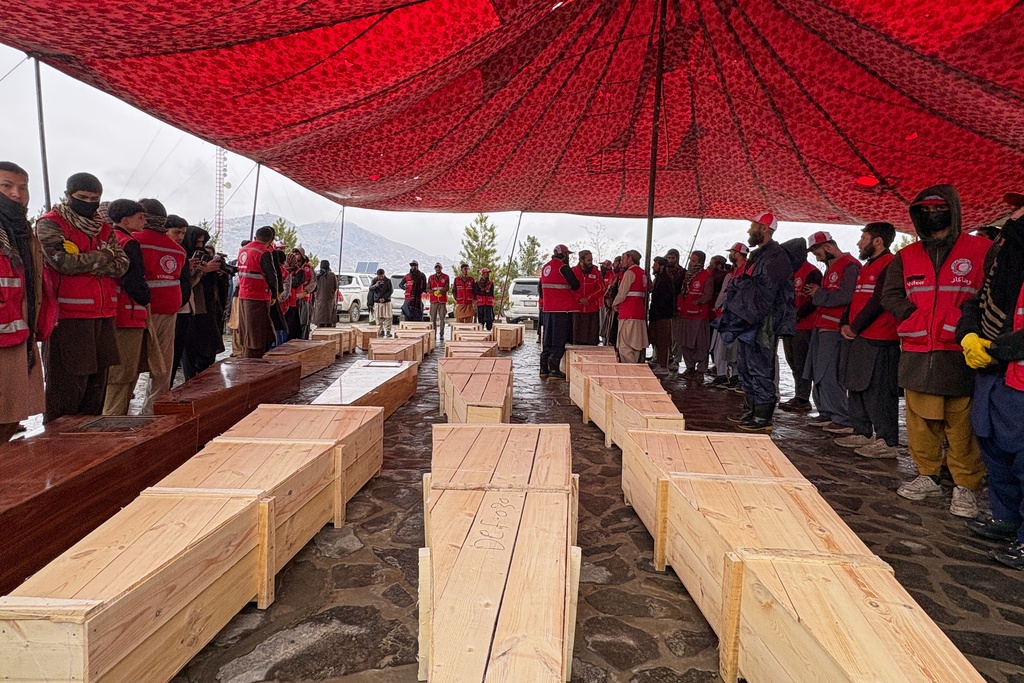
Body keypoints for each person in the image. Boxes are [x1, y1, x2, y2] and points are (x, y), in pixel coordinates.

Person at [881, 185, 990, 517]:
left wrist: (965, 322)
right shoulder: (907, 255)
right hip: (917, 352)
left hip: (960, 353)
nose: (931, 215)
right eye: (924, 211)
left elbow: (992, 294)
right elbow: (890, 294)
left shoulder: (981, 249)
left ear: (953, 211)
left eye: (938, 208)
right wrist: (912, 315)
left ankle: (965, 487)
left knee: (961, 426)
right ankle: (927, 475)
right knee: (920, 423)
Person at [958, 193, 1024, 568]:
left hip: (1016, 374)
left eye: (1018, 212)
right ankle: (1006, 518)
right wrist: (968, 335)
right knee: (994, 452)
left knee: (1022, 459)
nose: (1010, 220)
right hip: (993, 376)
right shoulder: (1002, 268)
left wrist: (998, 348)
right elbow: (975, 302)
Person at [37, 172, 129, 422]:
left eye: (94, 198)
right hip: (69, 318)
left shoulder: (104, 226)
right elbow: (63, 263)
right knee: (66, 390)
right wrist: (104, 256)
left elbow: (122, 265)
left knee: (96, 389)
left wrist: (85, 259)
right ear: (68, 196)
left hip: (104, 314)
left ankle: (90, 447)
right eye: (82, 197)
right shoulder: (51, 223)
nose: (88, 202)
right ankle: (57, 448)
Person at [721, 212, 795, 433]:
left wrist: (745, 305)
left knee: (760, 368)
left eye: (753, 226)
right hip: (750, 320)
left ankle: (763, 417)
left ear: (764, 228)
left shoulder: (776, 257)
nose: (749, 231)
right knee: (746, 367)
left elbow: (765, 292)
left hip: (763, 323)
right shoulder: (759, 255)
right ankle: (751, 411)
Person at [835, 222, 901, 458]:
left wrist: (855, 326)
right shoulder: (867, 266)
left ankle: (887, 440)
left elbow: (879, 300)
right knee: (856, 384)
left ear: (877, 241)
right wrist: (845, 322)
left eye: (863, 238)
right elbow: (856, 298)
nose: (858, 243)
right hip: (860, 335)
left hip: (880, 336)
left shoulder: (891, 264)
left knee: (879, 390)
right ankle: (861, 430)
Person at [0, 162, 50, 440]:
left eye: (23, 187)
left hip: (20, 331)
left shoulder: (24, 231)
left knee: (12, 415)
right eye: (6, 186)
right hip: (6, 332)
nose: (17, 194)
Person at [803, 231, 860, 434]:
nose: (815, 256)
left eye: (816, 251)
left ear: (827, 247)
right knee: (817, 371)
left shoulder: (850, 266)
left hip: (834, 327)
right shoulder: (832, 267)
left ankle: (841, 416)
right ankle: (826, 411)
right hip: (822, 325)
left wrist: (819, 294)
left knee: (829, 372)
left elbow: (846, 296)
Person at [133, 203, 187, 413]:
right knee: (163, 363)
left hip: (137, 309)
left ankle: (119, 411)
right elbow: (183, 280)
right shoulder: (178, 250)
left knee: (132, 362)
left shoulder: (133, 241)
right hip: (169, 308)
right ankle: (153, 411)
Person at [102, 199, 151, 415]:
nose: (144, 221)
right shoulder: (128, 243)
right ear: (125, 220)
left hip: (113, 310)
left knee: (115, 372)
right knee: (123, 373)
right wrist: (146, 297)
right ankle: (113, 421)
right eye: (140, 217)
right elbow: (134, 280)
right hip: (128, 312)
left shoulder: (110, 239)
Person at [778, 238, 820, 412]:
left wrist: (796, 315)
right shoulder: (790, 271)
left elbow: (813, 300)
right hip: (789, 324)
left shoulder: (812, 272)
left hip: (804, 325)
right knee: (792, 361)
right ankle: (798, 395)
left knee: (802, 362)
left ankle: (803, 398)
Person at [235, 225, 280, 358]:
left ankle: (245, 357)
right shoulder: (263, 252)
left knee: (247, 331)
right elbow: (272, 276)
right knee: (256, 334)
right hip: (258, 296)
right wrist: (275, 293)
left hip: (243, 294)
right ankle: (252, 363)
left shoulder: (243, 250)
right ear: (270, 240)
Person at [709, 243, 748, 388]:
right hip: (729, 314)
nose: (730, 255)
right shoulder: (735, 272)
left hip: (736, 315)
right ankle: (730, 375)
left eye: (732, 252)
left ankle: (732, 375)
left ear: (737, 254)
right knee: (724, 347)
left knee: (730, 347)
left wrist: (717, 306)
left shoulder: (744, 271)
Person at [540, 244, 581, 377]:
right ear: (564, 255)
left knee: (547, 338)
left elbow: (540, 289)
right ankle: (554, 369)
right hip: (562, 309)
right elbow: (576, 285)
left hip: (548, 309)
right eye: (567, 255)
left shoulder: (545, 267)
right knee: (559, 338)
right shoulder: (563, 267)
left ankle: (543, 368)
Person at [677, 251, 714, 377]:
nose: (690, 263)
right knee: (685, 341)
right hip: (685, 313)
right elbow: (682, 292)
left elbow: (708, 295)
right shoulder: (687, 276)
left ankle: (701, 368)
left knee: (700, 343)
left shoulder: (706, 276)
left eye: (693, 260)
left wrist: (697, 303)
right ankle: (690, 366)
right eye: (690, 260)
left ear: (700, 262)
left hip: (699, 315)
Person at [612, 249, 648, 363]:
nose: (622, 261)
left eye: (623, 259)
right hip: (639, 312)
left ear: (630, 259)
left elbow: (622, 293)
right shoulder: (643, 273)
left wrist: (614, 303)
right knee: (636, 345)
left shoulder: (629, 273)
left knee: (624, 345)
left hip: (628, 312)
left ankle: (630, 370)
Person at [571, 250, 604, 345]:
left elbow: (601, 288)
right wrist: (579, 298)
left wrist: (589, 298)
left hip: (592, 309)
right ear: (581, 260)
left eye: (591, 260)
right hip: (577, 309)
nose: (591, 262)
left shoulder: (596, 272)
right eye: (588, 260)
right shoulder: (573, 271)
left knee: (592, 339)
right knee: (576, 339)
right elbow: (568, 288)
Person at [647, 256, 675, 368]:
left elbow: (665, 299)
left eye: (656, 265)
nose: (653, 267)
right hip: (656, 314)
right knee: (656, 339)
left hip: (663, 315)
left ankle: (663, 365)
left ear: (661, 266)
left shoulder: (666, 280)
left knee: (663, 341)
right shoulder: (658, 278)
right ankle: (659, 361)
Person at [311, 260, 339, 328]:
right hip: (329, 300)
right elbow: (335, 287)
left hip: (319, 301)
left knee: (320, 322)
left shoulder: (317, 275)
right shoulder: (332, 275)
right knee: (329, 322)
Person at [368, 268, 393, 337]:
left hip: (386, 301)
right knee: (378, 317)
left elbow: (390, 291)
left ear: (384, 275)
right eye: (379, 276)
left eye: (382, 276)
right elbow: (370, 289)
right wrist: (375, 285)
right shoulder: (374, 280)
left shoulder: (388, 281)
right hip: (377, 302)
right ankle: (380, 330)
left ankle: (388, 331)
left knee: (388, 317)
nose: (381, 278)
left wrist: (384, 298)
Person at [428, 262, 450, 339]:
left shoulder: (446, 277)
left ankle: (441, 334)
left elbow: (447, 287)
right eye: (436, 267)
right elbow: (428, 288)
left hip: (442, 300)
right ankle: (433, 333)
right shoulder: (431, 277)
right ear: (435, 268)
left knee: (442, 318)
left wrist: (440, 292)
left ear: (441, 268)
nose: (438, 269)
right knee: (432, 318)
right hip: (433, 300)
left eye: (439, 267)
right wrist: (433, 293)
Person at [598, 259, 613, 340]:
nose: (602, 267)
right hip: (599, 303)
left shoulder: (611, 275)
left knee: (605, 324)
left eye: (604, 265)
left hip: (605, 304)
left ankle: (606, 341)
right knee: (600, 324)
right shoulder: (601, 275)